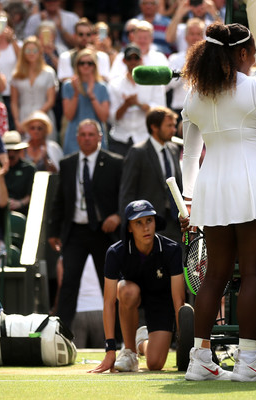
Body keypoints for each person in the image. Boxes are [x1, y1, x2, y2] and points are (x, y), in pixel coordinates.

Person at [180, 22, 256, 381]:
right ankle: (247, 362)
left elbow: (190, 156)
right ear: (241, 54)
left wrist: (189, 198)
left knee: (214, 278)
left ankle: (200, 361)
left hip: (212, 190)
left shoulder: (194, 95)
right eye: (254, 54)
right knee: (254, 275)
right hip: (254, 185)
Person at [89, 200, 186, 373]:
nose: (146, 227)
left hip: (161, 301)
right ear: (129, 228)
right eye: (138, 223)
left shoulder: (172, 250)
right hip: (132, 295)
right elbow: (109, 302)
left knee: (155, 364)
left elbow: (179, 300)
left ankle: (142, 343)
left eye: (149, 220)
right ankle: (130, 352)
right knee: (126, 290)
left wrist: (184, 345)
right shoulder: (115, 252)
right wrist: (110, 350)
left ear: (155, 222)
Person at [47, 119, 123, 330]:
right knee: (69, 283)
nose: (87, 138)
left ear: (100, 137)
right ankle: (60, 334)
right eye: (83, 134)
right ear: (77, 138)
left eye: (92, 134)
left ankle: (118, 337)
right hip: (75, 231)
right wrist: (53, 231)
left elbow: (124, 196)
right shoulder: (68, 163)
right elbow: (60, 200)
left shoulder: (115, 162)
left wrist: (117, 216)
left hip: (103, 231)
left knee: (109, 284)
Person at [119, 107, 183, 242]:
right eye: (169, 126)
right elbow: (127, 192)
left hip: (174, 222)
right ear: (154, 127)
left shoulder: (173, 149)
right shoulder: (138, 152)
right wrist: (129, 224)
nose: (174, 130)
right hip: (148, 222)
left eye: (174, 125)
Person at [108, 44, 166, 157]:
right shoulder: (114, 84)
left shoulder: (154, 82)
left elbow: (161, 111)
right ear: (124, 61)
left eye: (136, 58)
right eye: (129, 58)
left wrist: (140, 105)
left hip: (145, 138)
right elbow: (112, 118)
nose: (133, 61)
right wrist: (126, 104)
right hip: (120, 138)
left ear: (141, 59)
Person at [62, 49, 110, 156]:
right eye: (81, 63)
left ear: (95, 66)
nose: (86, 66)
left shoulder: (102, 86)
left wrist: (92, 95)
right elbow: (69, 116)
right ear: (76, 65)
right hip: (74, 137)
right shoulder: (68, 86)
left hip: (96, 137)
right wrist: (76, 93)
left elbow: (104, 117)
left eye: (90, 63)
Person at [10, 36, 59, 135]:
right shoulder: (16, 74)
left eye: (34, 50)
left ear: (40, 51)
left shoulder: (49, 73)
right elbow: (14, 102)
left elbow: (50, 101)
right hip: (23, 116)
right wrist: (16, 121)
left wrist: (34, 117)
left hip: (44, 116)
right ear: (23, 52)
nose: (31, 53)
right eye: (28, 50)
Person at [56, 18, 111, 83]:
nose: (84, 38)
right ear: (75, 36)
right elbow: (65, 80)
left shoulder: (102, 56)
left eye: (88, 34)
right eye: (81, 34)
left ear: (92, 36)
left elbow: (103, 79)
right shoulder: (65, 56)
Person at [2, 130, 35, 216]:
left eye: (15, 150)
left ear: (20, 150)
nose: (11, 154)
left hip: (22, 212)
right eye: (8, 150)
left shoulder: (29, 169)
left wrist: (19, 203)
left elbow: (31, 194)